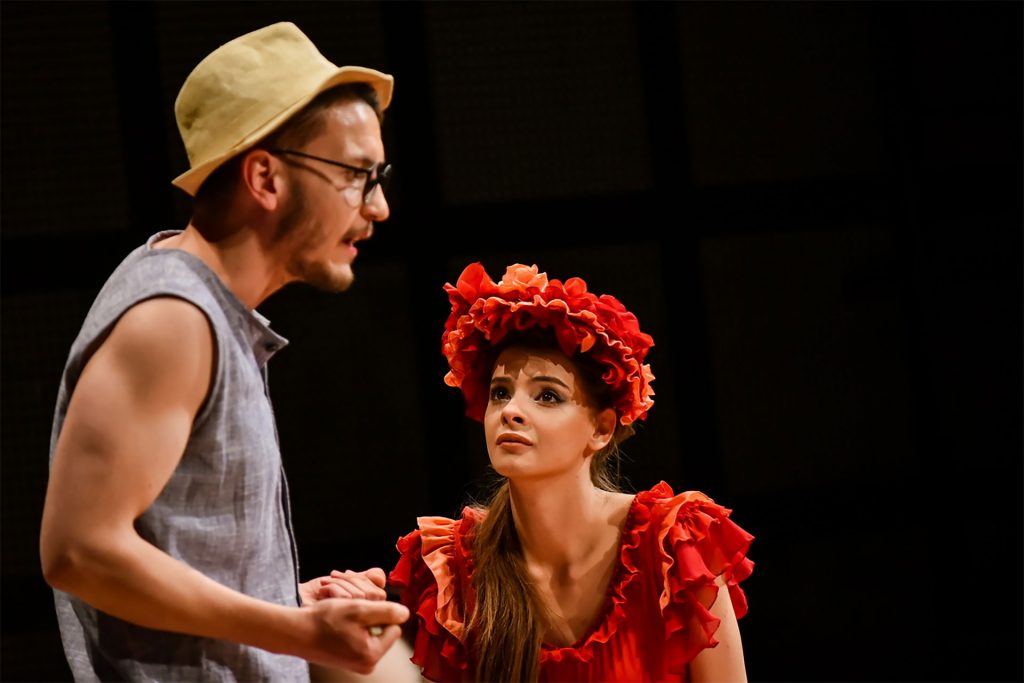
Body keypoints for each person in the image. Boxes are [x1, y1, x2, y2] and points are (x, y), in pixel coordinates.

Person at [39, 22, 411, 681]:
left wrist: (280, 600)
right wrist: (294, 630)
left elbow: (165, 556)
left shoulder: (203, 310)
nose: (377, 206)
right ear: (265, 177)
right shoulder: (173, 319)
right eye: (356, 174)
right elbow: (79, 550)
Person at [389, 263, 755, 682]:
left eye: (547, 396)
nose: (511, 411)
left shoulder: (673, 549)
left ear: (601, 429)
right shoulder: (452, 571)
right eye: (500, 393)